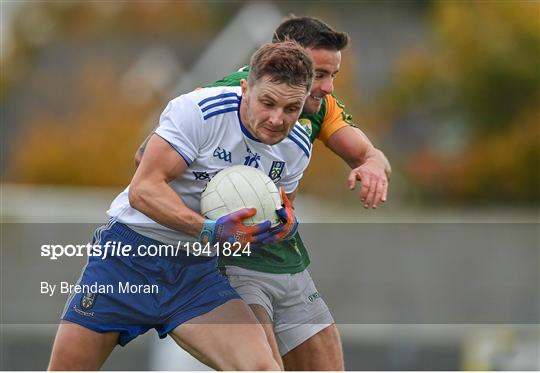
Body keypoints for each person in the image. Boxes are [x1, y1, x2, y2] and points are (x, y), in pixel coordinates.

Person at [135, 16, 391, 371]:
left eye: (333, 75)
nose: (329, 87)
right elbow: (146, 160)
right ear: (286, 59)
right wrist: (214, 215)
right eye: (320, 74)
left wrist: (374, 165)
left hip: (285, 260)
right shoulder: (227, 94)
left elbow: (367, 154)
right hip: (231, 263)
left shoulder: (316, 104)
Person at [48, 41, 314, 371]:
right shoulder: (199, 111)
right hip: (128, 259)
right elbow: (142, 189)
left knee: (263, 368)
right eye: (268, 102)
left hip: (196, 274)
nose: (277, 119)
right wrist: (209, 229)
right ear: (246, 88)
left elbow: (278, 207)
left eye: (291, 108)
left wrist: (283, 226)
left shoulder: (297, 148)